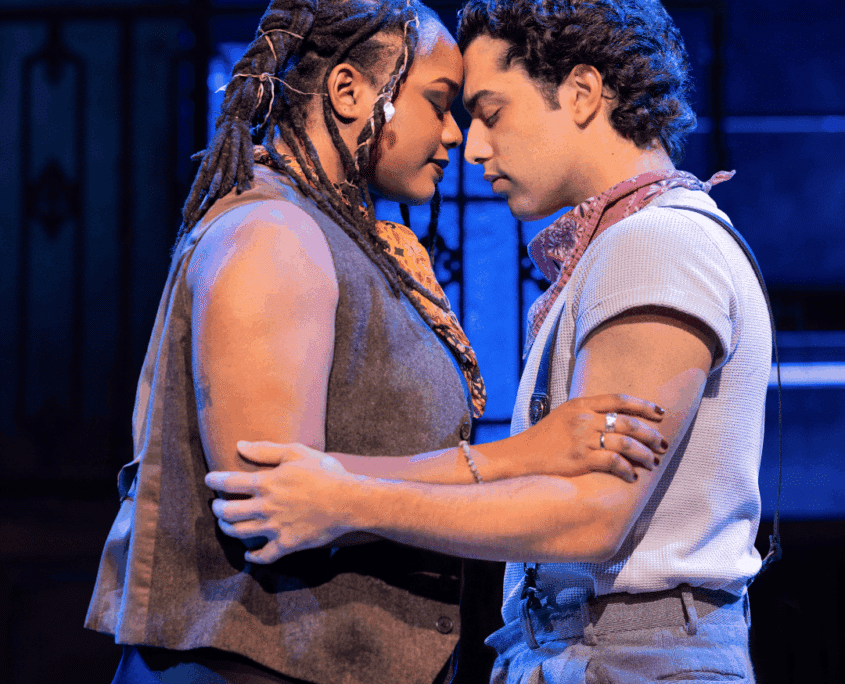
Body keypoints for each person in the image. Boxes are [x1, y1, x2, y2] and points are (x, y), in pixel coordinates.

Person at [85, 1, 669, 683]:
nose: (455, 136)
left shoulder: (334, 235)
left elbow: (327, 484)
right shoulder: (273, 236)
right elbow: (267, 499)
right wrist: (519, 458)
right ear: (348, 92)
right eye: (438, 102)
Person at [207, 1, 772, 682]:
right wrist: (330, 483)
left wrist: (346, 501)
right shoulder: (629, 245)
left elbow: (592, 517)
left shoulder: (656, 243)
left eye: (490, 112)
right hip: (589, 648)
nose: (472, 145)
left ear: (582, 92)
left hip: (630, 655)